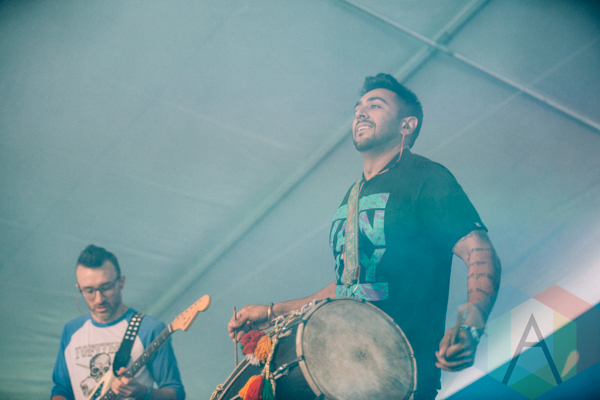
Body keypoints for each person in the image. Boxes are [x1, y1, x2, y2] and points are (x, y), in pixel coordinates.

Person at [228, 73, 501, 399]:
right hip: (342, 370)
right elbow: (348, 287)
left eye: (375, 105)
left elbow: (479, 251)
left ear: (407, 124)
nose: (360, 112)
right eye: (358, 107)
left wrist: (471, 324)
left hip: (400, 378)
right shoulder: (352, 195)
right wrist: (273, 311)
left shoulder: (426, 177)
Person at [51, 245, 185, 400]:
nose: (99, 299)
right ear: (79, 288)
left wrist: (143, 392)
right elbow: (62, 389)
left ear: (121, 282)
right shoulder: (71, 330)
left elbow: (176, 393)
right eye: (89, 291)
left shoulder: (149, 329)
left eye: (106, 287)